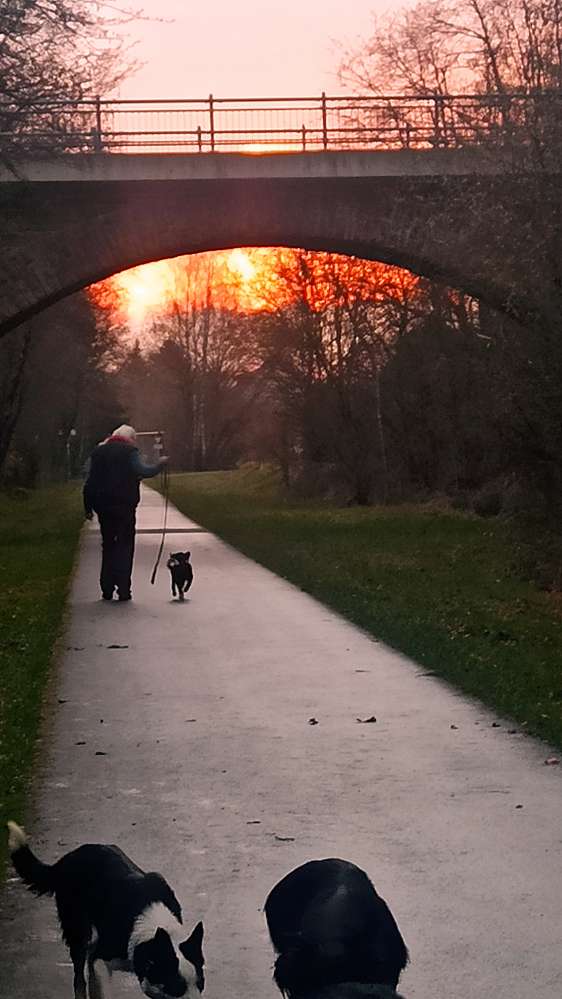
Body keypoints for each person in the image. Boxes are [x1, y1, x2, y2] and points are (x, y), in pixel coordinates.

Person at [83, 424, 168, 602]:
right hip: (124, 507)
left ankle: (106, 588)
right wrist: (160, 465)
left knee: (108, 546)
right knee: (125, 545)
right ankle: (123, 589)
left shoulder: (98, 452)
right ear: (130, 438)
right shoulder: (130, 451)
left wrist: (88, 507)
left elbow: (89, 480)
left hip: (103, 507)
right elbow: (144, 471)